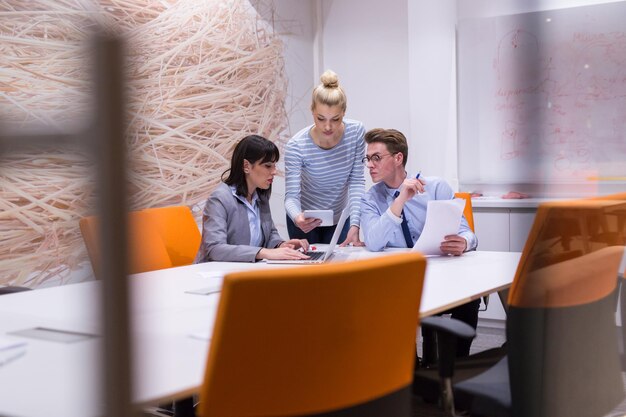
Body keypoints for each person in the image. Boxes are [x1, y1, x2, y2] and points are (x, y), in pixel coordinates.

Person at [359, 128, 479, 361]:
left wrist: (464, 242)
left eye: (376, 158)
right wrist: (401, 198)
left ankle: (455, 368)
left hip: (440, 276)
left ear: (398, 158)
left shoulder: (435, 187)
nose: (370, 165)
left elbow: (467, 232)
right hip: (401, 282)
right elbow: (373, 242)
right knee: (390, 310)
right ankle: (411, 375)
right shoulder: (370, 199)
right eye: (368, 159)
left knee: (469, 300)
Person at [194, 135, 310, 263]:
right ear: (246, 166)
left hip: (246, 271)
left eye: (274, 165)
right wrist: (264, 252)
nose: (274, 171)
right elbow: (215, 249)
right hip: (216, 276)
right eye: (268, 166)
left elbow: (270, 234)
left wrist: (280, 245)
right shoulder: (219, 199)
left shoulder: (261, 195)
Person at [284, 69, 366, 246]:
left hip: (340, 218)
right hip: (304, 220)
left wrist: (355, 223)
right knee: (309, 271)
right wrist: (297, 217)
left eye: (335, 119)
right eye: (321, 119)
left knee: (341, 269)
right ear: (312, 111)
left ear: (344, 112)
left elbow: (357, 182)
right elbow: (291, 195)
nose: (328, 126)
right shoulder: (296, 145)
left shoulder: (356, 132)